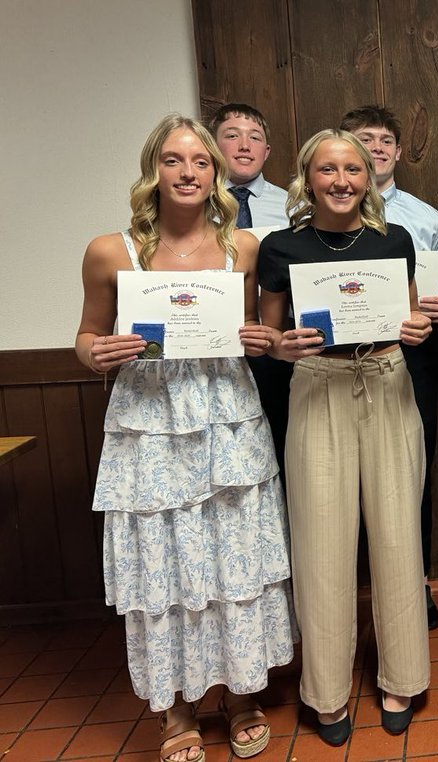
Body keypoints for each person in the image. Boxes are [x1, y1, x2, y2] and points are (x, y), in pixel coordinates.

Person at [75, 114, 293, 762]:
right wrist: (99, 353)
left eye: (200, 162)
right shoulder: (111, 251)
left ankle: (243, 693)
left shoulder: (246, 247)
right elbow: (84, 338)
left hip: (229, 419)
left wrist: (266, 339)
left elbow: (266, 332)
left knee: (236, 558)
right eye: (173, 160)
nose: (189, 172)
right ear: (154, 171)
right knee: (162, 568)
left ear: (217, 174)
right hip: (150, 423)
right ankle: (175, 713)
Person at [257, 129, 433, 744]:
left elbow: (409, 318)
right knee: (321, 541)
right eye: (328, 170)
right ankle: (326, 691)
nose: (341, 181)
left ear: (368, 177)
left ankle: (402, 676)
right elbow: (267, 338)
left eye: (353, 169)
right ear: (307, 178)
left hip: (387, 382)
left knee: (396, 534)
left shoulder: (395, 240)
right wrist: (283, 347)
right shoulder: (279, 247)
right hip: (318, 385)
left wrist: (418, 329)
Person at [341, 104, 438, 630]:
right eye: (367, 138)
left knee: (412, 475)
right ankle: (348, 595)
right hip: (336, 361)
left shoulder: (424, 218)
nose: (379, 147)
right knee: (340, 484)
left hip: (411, 356)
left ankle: (415, 587)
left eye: (387, 139)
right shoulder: (311, 214)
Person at [208, 103, 293, 479]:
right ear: (213, 146)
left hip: (279, 346)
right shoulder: (193, 204)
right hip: (215, 347)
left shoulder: (295, 205)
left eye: (255, 137)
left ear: (267, 151)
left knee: (280, 446)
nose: (244, 145)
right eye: (231, 135)